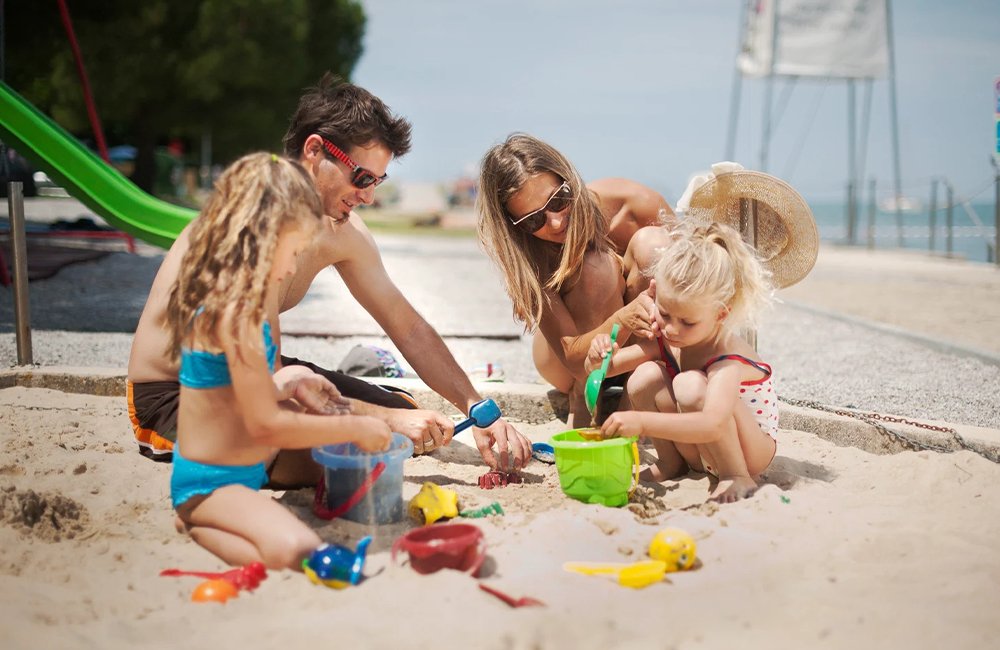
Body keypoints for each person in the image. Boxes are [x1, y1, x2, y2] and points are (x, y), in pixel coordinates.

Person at [128, 74, 531, 476]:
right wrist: (385, 421)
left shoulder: (341, 229)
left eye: (378, 181)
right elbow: (268, 386)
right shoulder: (252, 225)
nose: (369, 196)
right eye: (363, 178)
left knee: (406, 412)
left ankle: (364, 389)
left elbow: (406, 326)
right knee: (333, 452)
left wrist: (477, 408)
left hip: (258, 377)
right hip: (176, 394)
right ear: (315, 150)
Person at [166, 152, 391, 569]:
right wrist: (357, 426)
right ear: (264, 237)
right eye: (294, 248)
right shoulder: (234, 315)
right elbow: (264, 424)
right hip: (213, 483)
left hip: (243, 473)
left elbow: (235, 393)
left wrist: (290, 381)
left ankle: (207, 520)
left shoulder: (246, 305)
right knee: (298, 550)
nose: (293, 266)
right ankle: (197, 519)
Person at [477, 133, 676, 426]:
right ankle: (583, 396)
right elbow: (571, 356)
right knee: (595, 266)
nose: (556, 222)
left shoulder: (635, 208)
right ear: (516, 226)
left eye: (558, 200)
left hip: (637, 352)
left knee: (654, 245)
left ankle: (634, 394)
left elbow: (694, 293)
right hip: (569, 364)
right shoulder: (527, 250)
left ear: (568, 179)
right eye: (534, 220)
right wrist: (624, 318)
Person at [586, 220, 777, 503]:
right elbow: (600, 371)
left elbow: (713, 423)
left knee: (688, 385)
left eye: (687, 322)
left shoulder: (726, 356)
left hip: (748, 452)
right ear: (654, 292)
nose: (672, 329)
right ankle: (670, 463)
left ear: (720, 315)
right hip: (702, 451)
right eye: (664, 314)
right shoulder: (666, 337)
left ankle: (736, 476)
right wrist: (598, 354)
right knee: (644, 376)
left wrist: (642, 422)